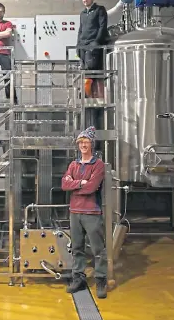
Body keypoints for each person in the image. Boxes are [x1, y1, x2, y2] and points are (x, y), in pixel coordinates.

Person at [61, 126, 108, 299]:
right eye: (81, 142)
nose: (83, 145)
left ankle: (101, 279)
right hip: (75, 212)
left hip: (91, 212)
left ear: (92, 144)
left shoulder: (98, 165)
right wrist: (81, 183)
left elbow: (92, 187)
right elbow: (65, 185)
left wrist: (76, 184)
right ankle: (79, 278)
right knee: (77, 248)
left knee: (98, 249)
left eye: (86, 142)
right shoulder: (73, 164)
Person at [76, 0, 108, 71]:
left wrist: (96, 42)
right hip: (83, 45)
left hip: (93, 44)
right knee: (83, 71)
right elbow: (80, 30)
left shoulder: (100, 10)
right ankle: (86, 84)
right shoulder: (82, 14)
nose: (85, 0)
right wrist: (78, 45)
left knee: (92, 71)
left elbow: (102, 26)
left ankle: (91, 83)